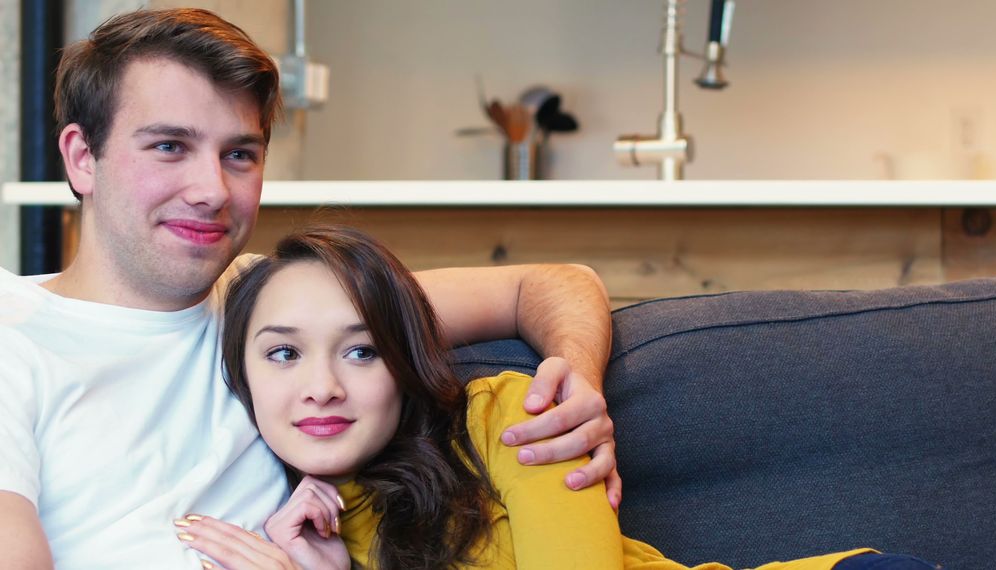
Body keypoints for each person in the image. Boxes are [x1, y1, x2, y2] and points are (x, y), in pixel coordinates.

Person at [0, 8, 618, 569]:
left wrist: (579, 392)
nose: (212, 190)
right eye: (169, 146)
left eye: (239, 154)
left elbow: (554, 283)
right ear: (82, 157)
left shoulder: (274, 306)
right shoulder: (13, 336)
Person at [173, 224, 934, 570]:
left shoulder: (509, 418)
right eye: (282, 353)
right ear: (241, 378)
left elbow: (555, 279)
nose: (321, 388)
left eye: (363, 349)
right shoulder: (306, 534)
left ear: (405, 362)